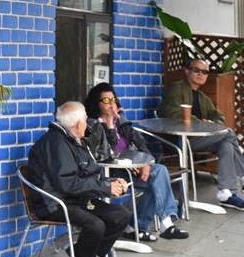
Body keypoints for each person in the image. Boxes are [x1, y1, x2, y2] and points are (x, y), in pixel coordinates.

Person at [27, 101, 130, 257]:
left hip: (74, 199)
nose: (88, 120)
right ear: (78, 123)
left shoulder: (74, 140)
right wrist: (105, 188)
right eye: (85, 117)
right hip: (55, 203)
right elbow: (68, 184)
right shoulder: (56, 143)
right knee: (96, 226)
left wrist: (111, 183)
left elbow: (87, 173)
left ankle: (77, 256)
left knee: (120, 215)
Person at [83, 83, 189, 241]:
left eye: (113, 99)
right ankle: (150, 225)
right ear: (96, 104)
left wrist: (146, 164)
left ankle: (141, 227)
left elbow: (141, 144)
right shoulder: (92, 125)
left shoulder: (122, 121)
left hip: (131, 169)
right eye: (106, 101)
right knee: (159, 177)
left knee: (159, 174)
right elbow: (107, 154)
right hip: (110, 173)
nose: (111, 103)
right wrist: (110, 124)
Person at [159, 57, 244, 210]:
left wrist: (212, 123)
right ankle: (242, 176)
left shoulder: (203, 98)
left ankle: (226, 193)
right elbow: (170, 112)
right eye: (196, 70)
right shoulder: (176, 88)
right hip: (179, 140)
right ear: (187, 71)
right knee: (229, 133)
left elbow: (218, 116)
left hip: (198, 140)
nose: (200, 74)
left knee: (226, 145)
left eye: (204, 72)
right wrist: (200, 122)